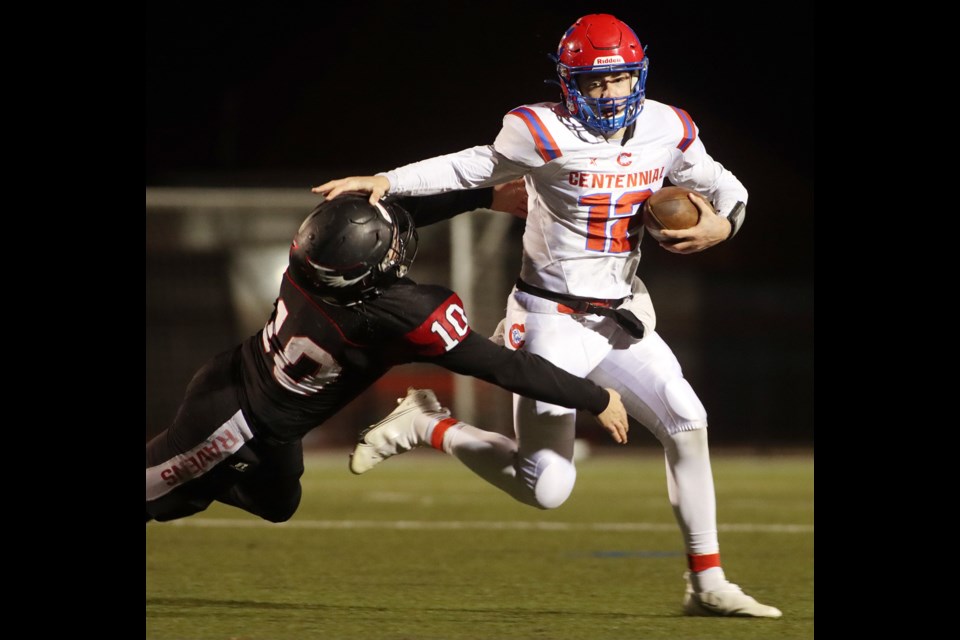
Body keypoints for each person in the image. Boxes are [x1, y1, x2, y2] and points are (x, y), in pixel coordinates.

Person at [312, 13, 781, 619]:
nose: (608, 94)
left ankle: (707, 583)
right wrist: (386, 181)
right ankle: (428, 424)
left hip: (620, 317)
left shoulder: (669, 126)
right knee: (547, 488)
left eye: (619, 80)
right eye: (594, 82)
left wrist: (723, 223)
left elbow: (726, 186)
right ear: (568, 82)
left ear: (638, 76)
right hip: (550, 318)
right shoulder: (538, 129)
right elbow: (471, 166)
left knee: (688, 419)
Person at [146, 190, 629, 524]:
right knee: (158, 498)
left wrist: (483, 195)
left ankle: (202, 482)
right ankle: (194, 482)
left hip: (252, 396)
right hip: (233, 422)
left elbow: (388, 216)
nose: (400, 242)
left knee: (279, 505)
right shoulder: (400, 314)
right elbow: (504, 366)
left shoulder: (314, 258)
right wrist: (594, 396)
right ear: (365, 279)